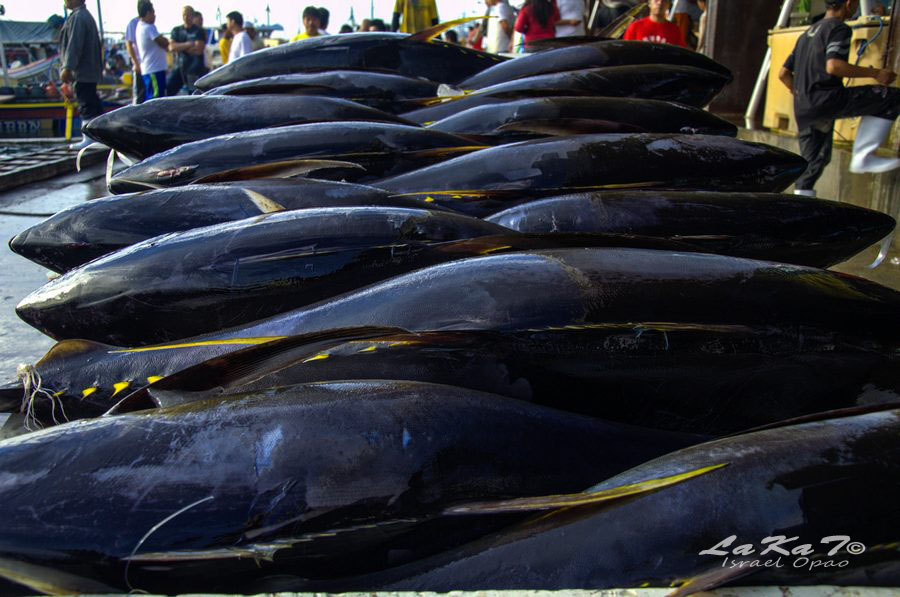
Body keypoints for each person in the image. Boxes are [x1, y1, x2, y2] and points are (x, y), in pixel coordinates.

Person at [779, 0, 900, 197]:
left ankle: (800, 209)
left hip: (804, 106)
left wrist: (803, 96)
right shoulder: (838, 28)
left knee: (814, 162)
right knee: (892, 97)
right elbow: (833, 66)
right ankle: (864, 156)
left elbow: (783, 74)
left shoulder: (806, 34)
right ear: (849, 3)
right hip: (827, 98)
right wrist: (876, 73)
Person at [59, 0, 103, 149]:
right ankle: (99, 137)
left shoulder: (79, 17)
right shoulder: (83, 15)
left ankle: (90, 138)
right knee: (91, 103)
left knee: (86, 104)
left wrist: (68, 67)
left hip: (83, 71)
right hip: (89, 70)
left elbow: (74, 45)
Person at [168, 5, 207, 95]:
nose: (186, 17)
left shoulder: (198, 31)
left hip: (194, 70)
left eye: (188, 15)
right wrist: (190, 44)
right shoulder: (176, 30)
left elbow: (199, 49)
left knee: (193, 93)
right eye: (184, 15)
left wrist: (180, 47)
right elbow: (172, 47)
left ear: (192, 15)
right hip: (180, 68)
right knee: (169, 88)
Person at [136, 0, 168, 101]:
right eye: (153, 13)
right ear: (148, 13)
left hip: (151, 70)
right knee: (156, 100)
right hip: (154, 70)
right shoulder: (149, 27)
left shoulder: (140, 26)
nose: (154, 15)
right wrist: (164, 39)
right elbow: (164, 43)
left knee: (155, 97)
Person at [623, 0, 687, 47]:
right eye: (656, 0)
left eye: (664, 1)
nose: (660, 3)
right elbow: (626, 51)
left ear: (668, 5)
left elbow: (680, 55)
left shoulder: (674, 30)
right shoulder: (635, 27)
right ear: (649, 3)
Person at [124, 11, 144, 105]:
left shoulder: (149, 23)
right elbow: (129, 44)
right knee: (138, 95)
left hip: (147, 67)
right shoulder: (133, 23)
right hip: (139, 65)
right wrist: (135, 63)